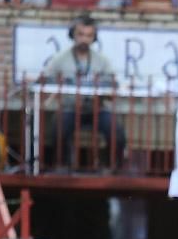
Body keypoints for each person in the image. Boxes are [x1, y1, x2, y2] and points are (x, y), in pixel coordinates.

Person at [42, 15, 126, 168]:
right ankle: (62, 166)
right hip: (70, 108)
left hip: (97, 109)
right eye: (80, 34)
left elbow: (112, 84)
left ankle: (111, 167)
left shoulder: (102, 60)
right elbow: (46, 79)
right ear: (73, 35)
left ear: (94, 38)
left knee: (116, 130)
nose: (84, 39)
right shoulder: (60, 59)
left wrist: (105, 90)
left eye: (88, 36)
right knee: (58, 129)